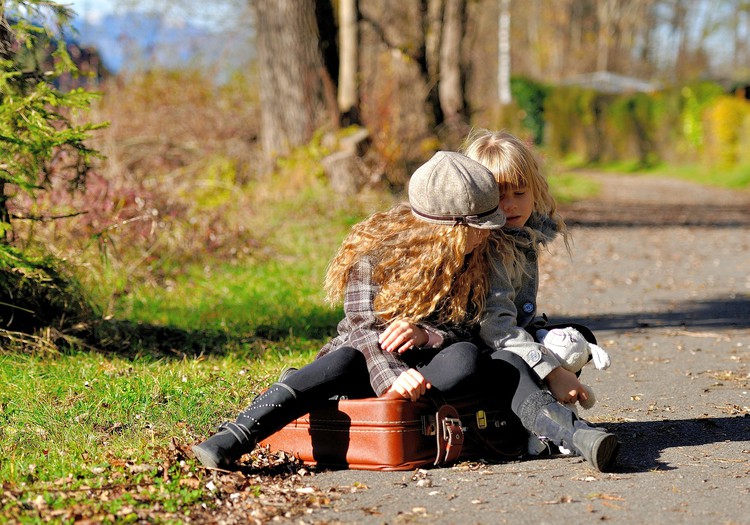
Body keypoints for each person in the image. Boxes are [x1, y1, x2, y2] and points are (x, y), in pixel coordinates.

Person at [192, 151, 507, 469]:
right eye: (479, 226)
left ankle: (375, 411)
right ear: (450, 227)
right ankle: (235, 435)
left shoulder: (474, 257)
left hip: (425, 370)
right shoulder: (375, 256)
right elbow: (362, 329)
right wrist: (394, 378)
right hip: (364, 360)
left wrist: (426, 335)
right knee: (345, 358)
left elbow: (467, 326)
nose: (487, 233)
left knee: (466, 355)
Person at [461, 129, 620, 472]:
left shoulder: (521, 238)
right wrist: (552, 370)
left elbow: (520, 317)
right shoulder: (489, 247)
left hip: (504, 340)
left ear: (535, 189)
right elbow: (496, 326)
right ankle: (569, 434)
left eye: (520, 192)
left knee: (575, 335)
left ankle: (549, 422)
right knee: (517, 363)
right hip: (480, 349)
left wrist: (549, 340)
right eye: (499, 196)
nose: (511, 205)